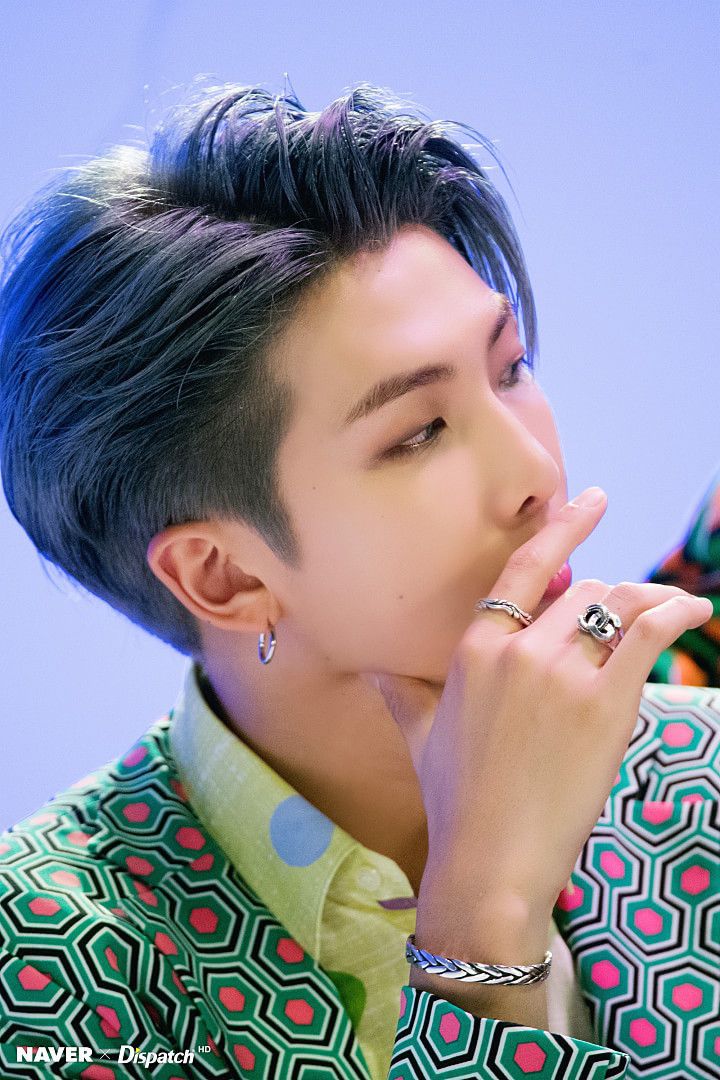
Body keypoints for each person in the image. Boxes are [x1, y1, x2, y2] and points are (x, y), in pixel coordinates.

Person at [0, 80, 717, 1080]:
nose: (535, 473)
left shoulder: (700, 774)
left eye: (511, 367)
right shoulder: (47, 954)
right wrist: (483, 925)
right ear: (222, 574)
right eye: (417, 433)